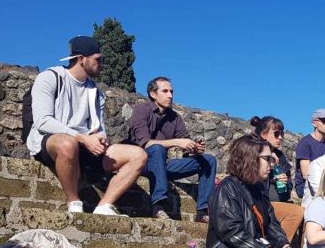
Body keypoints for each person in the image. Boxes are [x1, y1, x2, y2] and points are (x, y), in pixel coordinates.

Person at [26, 36, 147, 216]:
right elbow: (43, 121)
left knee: (138, 155)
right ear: (81, 59)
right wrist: (81, 137)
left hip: (85, 144)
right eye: (98, 59)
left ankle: (104, 206)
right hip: (52, 140)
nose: (102, 63)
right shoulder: (50, 77)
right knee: (68, 143)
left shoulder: (96, 92)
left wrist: (100, 137)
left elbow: (98, 126)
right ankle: (74, 201)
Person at [129, 77, 216, 222]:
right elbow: (144, 144)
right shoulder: (141, 110)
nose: (170, 95)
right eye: (165, 91)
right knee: (156, 148)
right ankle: (158, 207)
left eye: (171, 91)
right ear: (153, 93)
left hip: (163, 166)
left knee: (209, 160)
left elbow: (185, 148)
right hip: (141, 163)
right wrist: (177, 142)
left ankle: (202, 212)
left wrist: (194, 147)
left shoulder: (175, 117)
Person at [251, 116, 305, 244]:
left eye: (282, 134)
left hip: (276, 203)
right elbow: (249, 180)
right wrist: (272, 177)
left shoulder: (280, 157)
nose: (280, 137)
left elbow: (287, 191)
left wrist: (285, 184)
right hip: (257, 203)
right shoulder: (252, 152)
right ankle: (279, 247)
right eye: (276, 134)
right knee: (297, 212)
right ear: (264, 134)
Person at [293, 108, 325, 198]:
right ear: (314, 123)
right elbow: (306, 174)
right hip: (305, 185)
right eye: (324, 121)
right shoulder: (305, 143)